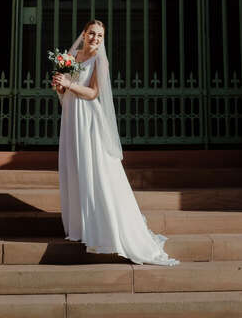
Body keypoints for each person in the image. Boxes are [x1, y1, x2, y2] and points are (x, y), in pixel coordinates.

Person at [51, 19, 179, 266]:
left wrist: (70, 84)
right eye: (91, 34)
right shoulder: (71, 56)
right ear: (84, 34)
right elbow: (65, 91)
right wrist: (59, 87)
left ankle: (102, 227)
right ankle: (78, 226)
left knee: (93, 168)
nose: (95, 39)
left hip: (88, 119)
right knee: (74, 167)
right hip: (70, 118)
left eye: (100, 36)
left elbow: (93, 93)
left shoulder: (101, 61)